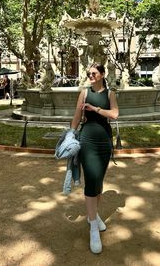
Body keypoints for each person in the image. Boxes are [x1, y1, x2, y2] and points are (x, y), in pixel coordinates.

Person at [71, 63, 119, 254]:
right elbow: (76, 116)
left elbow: (114, 115)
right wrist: (70, 134)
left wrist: (95, 108)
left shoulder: (109, 94)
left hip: (105, 141)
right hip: (87, 140)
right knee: (91, 181)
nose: (90, 76)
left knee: (98, 180)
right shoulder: (83, 92)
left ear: (102, 75)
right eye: (89, 73)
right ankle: (93, 228)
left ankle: (93, 216)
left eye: (94, 73)